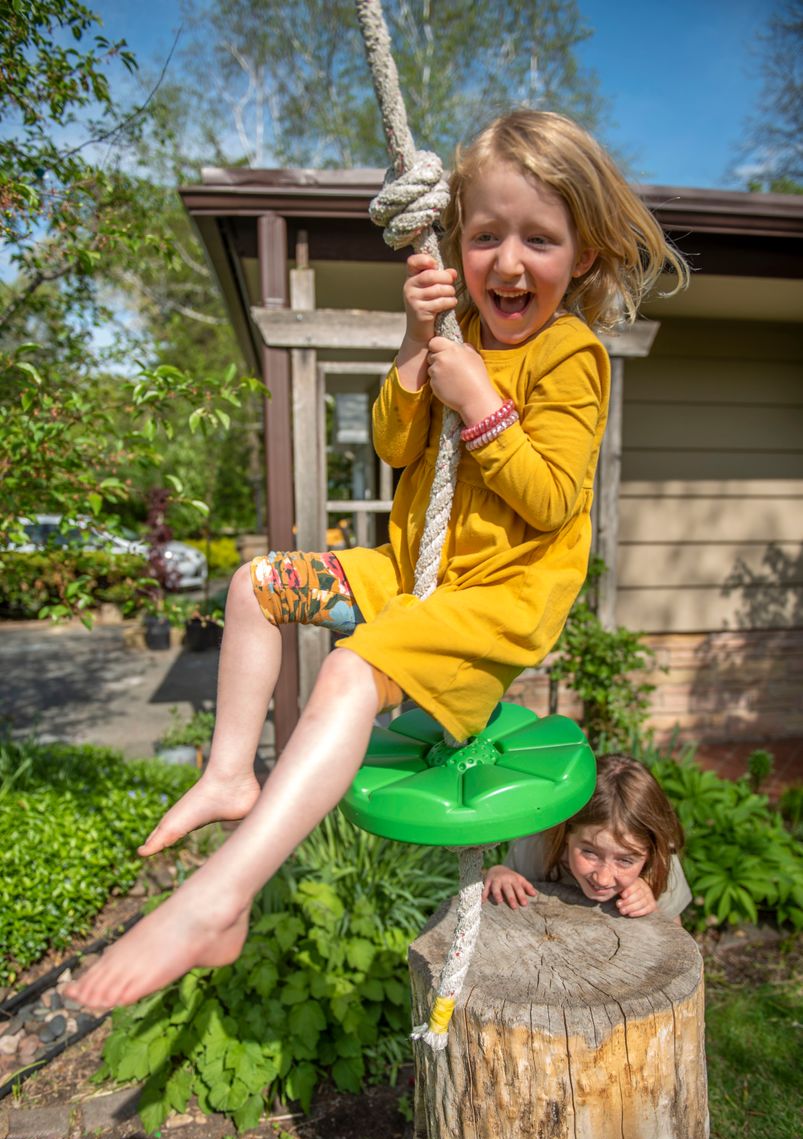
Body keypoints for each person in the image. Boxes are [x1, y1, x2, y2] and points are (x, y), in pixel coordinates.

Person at [66, 109, 688, 1009]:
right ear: (458, 241)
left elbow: (553, 499)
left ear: (583, 253)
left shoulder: (571, 354)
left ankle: (220, 896)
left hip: (497, 601)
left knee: (353, 674)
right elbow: (398, 443)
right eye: (485, 236)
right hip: (413, 571)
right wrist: (414, 344)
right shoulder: (456, 330)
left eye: (538, 239)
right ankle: (231, 771)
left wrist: (480, 401)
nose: (507, 262)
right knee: (256, 585)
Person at [483, 754, 692, 923]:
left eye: (625, 860)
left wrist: (651, 907)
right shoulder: (536, 848)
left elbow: (675, 939)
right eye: (590, 852)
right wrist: (498, 873)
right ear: (566, 834)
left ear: (651, 853)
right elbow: (506, 884)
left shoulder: (663, 865)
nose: (603, 878)